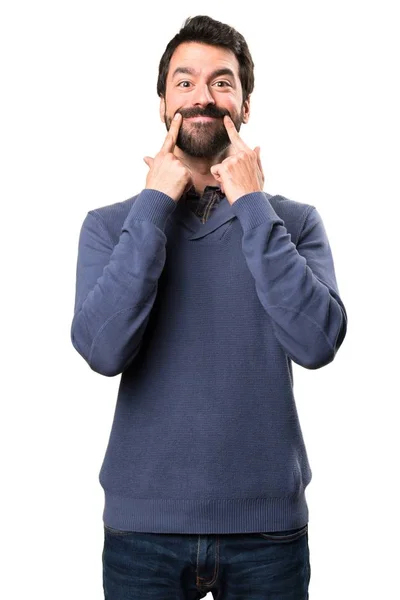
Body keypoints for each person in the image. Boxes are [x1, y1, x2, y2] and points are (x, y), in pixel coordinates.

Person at [70, 14, 347, 600]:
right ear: (163, 104)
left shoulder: (292, 223)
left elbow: (319, 342)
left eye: (222, 82)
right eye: (185, 81)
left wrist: (251, 203)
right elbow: (101, 349)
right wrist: (151, 208)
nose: (203, 96)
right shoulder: (111, 225)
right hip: (141, 530)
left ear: (245, 106)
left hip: (267, 531)